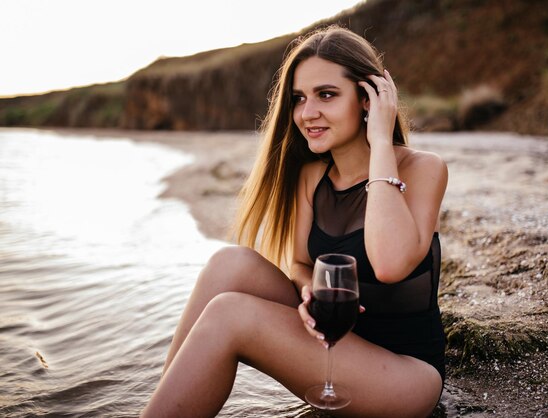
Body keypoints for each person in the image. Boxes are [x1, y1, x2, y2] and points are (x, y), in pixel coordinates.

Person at [141, 25, 448, 418]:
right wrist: (307, 292)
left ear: (368, 99)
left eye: (327, 95)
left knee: (230, 314)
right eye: (299, 98)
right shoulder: (312, 179)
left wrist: (382, 145)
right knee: (228, 264)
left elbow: (390, 264)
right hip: (335, 346)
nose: (307, 113)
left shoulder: (423, 169)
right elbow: (301, 265)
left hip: (404, 377)